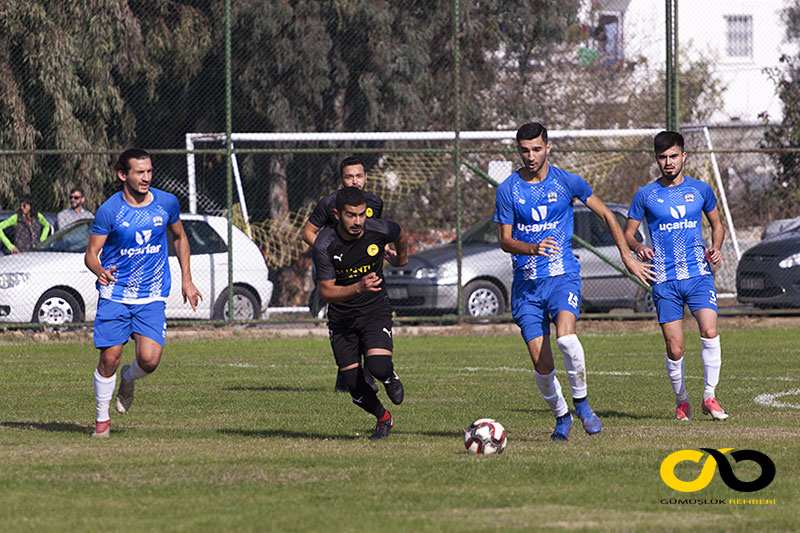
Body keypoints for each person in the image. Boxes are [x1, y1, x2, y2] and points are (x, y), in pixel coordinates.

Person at [494, 122, 654, 441]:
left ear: (548, 147)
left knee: (566, 339)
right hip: (527, 286)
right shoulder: (508, 189)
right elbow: (504, 240)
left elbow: (608, 215)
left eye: (537, 149)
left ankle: (582, 404)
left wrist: (627, 256)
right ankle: (562, 416)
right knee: (542, 367)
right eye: (524, 150)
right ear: (518, 150)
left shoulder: (568, 182)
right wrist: (532, 248)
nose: (530, 156)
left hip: (562, 276)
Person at [85, 148, 202, 438]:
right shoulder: (110, 210)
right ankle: (102, 421)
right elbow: (91, 253)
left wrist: (187, 279)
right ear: (123, 175)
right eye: (139, 172)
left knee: (149, 360)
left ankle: (129, 376)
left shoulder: (166, 203)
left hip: (151, 295)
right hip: (115, 294)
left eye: (149, 171)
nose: (146, 177)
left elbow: (180, 237)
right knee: (109, 357)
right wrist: (99, 270)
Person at [624, 130, 728, 422]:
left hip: (698, 274)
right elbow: (628, 235)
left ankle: (709, 396)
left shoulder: (701, 190)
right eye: (662, 157)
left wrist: (716, 248)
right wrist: (638, 247)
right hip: (665, 280)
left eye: (673, 156)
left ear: (683, 156)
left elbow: (717, 225)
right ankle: (682, 401)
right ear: (656, 159)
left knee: (709, 331)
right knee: (675, 346)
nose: (668, 162)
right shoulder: (646, 195)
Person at [312, 186, 408, 440]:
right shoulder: (324, 243)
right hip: (342, 320)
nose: (357, 221)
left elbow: (399, 233)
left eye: (361, 214)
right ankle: (383, 418)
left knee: (377, 365)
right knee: (354, 387)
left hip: (374, 309)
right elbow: (327, 292)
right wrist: (358, 286)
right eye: (350, 215)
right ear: (337, 214)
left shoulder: (379, 229)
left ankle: (388, 376)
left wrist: (400, 260)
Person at [303, 156, 384, 393]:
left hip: (366, 272)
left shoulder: (375, 203)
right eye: (349, 177)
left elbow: (374, 234)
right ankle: (346, 377)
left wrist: (384, 250)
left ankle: (366, 376)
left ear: (366, 178)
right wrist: (328, 253)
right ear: (342, 179)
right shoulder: (329, 204)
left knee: (369, 320)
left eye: (358, 176)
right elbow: (308, 233)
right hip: (340, 275)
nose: (354, 181)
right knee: (345, 323)